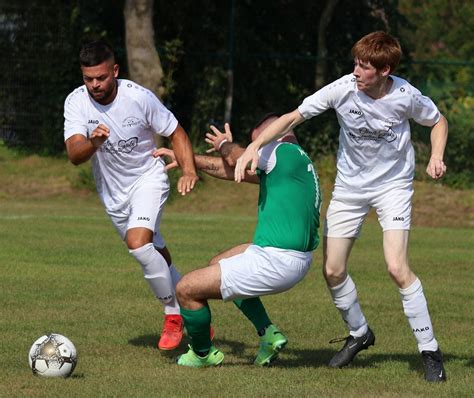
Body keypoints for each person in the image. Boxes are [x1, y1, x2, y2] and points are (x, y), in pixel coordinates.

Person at [234, 31, 448, 382]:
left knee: (396, 267)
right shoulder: (342, 88)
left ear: (385, 69)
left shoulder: (405, 95)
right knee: (333, 270)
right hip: (349, 189)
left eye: (364, 67)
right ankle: (360, 332)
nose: (356, 71)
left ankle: (430, 352)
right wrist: (252, 146)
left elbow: (437, 120)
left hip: (392, 187)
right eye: (356, 64)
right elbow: (291, 118)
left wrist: (436, 155)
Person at [154, 114, 322, 367]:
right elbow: (234, 169)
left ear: (274, 136)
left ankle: (202, 354)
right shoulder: (295, 160)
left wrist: (224, 144)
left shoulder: (281, 151)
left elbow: (233, 157)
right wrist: (186, 160)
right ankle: (268, 334)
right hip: (288, 257)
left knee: (187, 289)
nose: (255, 149)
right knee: (218, 262)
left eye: (258, 144)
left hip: (278, 260)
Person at [63, 39, 199, 351]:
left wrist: (189, 170)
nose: (95, 85)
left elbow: (177, 131)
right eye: (88, 79)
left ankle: (173, 315)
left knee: (138, 244)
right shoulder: (76, 102)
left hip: (148, 178)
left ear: (115, 70)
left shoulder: (139, 98)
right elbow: (74, 153)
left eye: (101, 77)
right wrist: (94, 143)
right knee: (156, 253)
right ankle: (195, 314)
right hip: (113, 194)